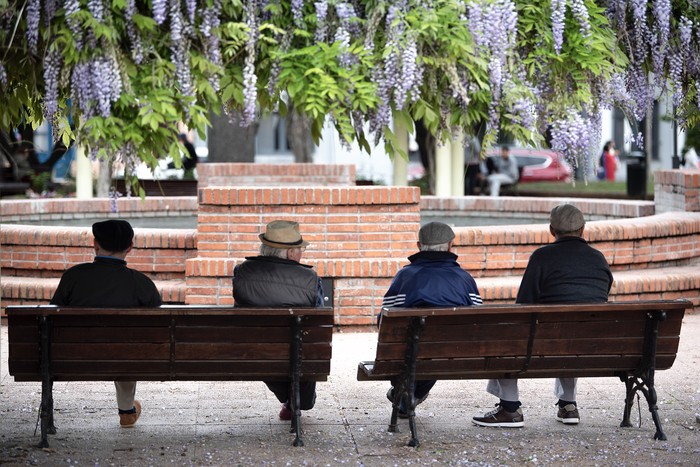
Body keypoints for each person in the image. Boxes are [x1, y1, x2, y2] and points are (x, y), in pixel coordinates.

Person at [472, 204, 613, 428]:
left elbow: (523, 304)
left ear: (551, 230)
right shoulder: (599, 259)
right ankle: (568, 405)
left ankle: (510, 408)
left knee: (507, 330)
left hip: (545, 345)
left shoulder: (542, 257)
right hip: (591, 345)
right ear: (583, 229)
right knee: (574, 328)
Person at [50, 220, 162, 427]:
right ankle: (126, 410)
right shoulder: (141, 283)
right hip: (125, 356)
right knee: (127, 346)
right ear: (130, 247)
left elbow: (52, 313)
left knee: (123, 347)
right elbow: (157, 317)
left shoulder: (73, 277)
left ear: (95, 244)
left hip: (73, 356)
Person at [382, 222, 482, 417]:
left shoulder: (405, 277)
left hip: (408, 353)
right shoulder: (464, 279)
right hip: (454, 354)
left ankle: (405, 394)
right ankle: (411, 395)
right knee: (441, 349)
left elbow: (386, 322)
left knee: (413, 347)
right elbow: (478, 321)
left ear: (419, 246)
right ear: (451, 246)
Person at [232, 220, 324, 421]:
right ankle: (296, 401)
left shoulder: (242, 272)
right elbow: (319, 322)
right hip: (298, 354)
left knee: (265, 348)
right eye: (300, 249)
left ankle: (290, 400)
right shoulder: (310, 278)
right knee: (304, 348)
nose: (302, 254)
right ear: (291, 253)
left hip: (251, 354)